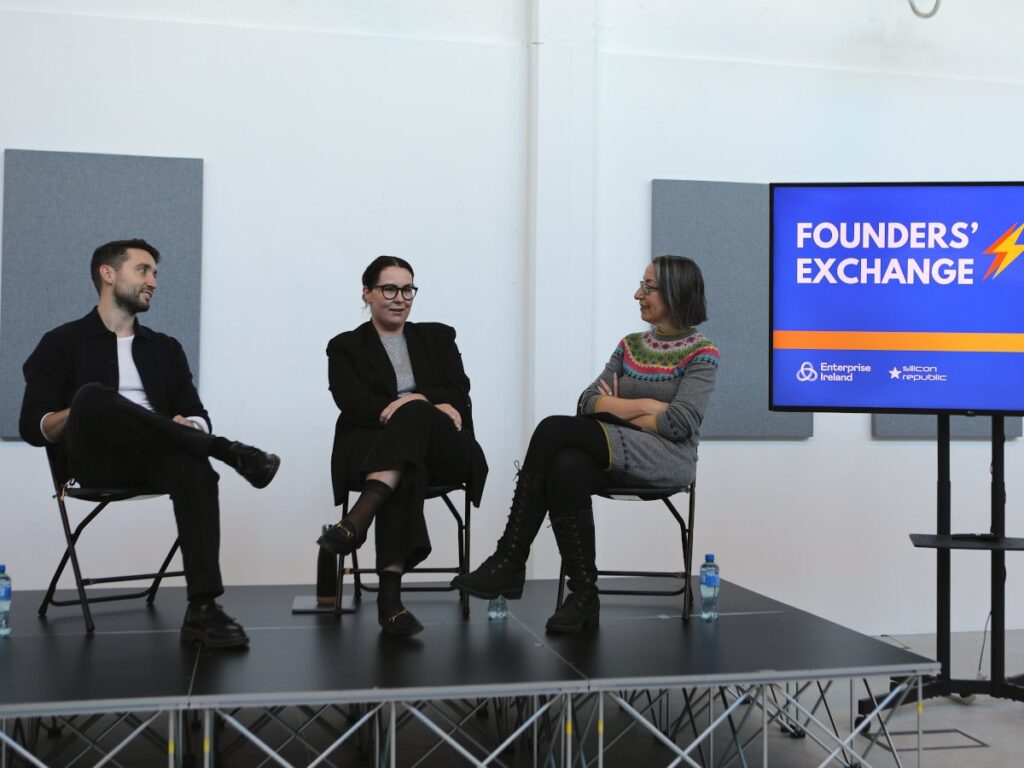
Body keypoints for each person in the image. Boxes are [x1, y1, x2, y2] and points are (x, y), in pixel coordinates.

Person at [19, 239, 280, 649]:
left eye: (155, 273)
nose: (153, 281)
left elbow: (195, 414)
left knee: (195, 469)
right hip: (95, 462)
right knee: (91, 395)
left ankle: (203, 609)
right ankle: (230, 451)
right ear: (108, 274)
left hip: (154, 458)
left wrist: (187, 423)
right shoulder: (62, 342)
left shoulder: (166, 348)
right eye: (143, 270)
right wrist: (84, 410)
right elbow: (35, 427)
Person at [453, 255, 719, 633]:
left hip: (667, 458)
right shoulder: (629, 347)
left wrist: (612, 407)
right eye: (640, 285)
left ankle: (509, 560)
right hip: (619, 448)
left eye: (648, 287)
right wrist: (645, 406)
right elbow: (586, 402)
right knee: (567, 466)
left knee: (552, 430)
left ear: (675, 292)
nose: (637, 294)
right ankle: (584, 596)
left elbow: (678, 423)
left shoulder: (702, 353)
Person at [319, 256, 488, 638]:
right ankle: (390, 603)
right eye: (389, 289)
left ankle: (357, 522)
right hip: (374, 449)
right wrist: (418, 405)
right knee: (404, 464)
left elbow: (459, 390)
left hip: (445, 450)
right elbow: (352, 402)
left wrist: (413, 402)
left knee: (414, 414)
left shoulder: (438, 336)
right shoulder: (345, 347)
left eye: (407, 289)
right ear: (367, 293)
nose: (400, 298)